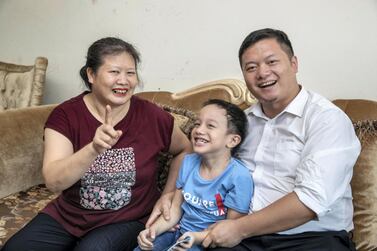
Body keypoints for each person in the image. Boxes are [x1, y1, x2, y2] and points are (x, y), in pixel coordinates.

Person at [147, 28, 361, 251]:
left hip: (310, 238)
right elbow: (193, 155)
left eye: (271, 62)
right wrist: (169, 194)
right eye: (251, 68)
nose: (262, 73)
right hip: (243, 238)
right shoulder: (242, 122)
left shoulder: (326, 119)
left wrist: (239, 228)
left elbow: (311, 199)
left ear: (294, 64)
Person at [2, 37, 191, 251]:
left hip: (129, 218)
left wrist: (168, 194)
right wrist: (93, 149)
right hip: (69, 216)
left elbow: (185, 149)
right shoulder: (65, 116)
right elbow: (54, 182)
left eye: (130, 73)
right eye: (114, 72)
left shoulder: (152, 116)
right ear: (91, 75)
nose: (124, 80)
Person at [134, 99, 253, 251]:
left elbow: (231, 229)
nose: (199, 130)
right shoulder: (188, 162)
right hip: (178, 231)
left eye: (210, 126)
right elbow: (175, 209)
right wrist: (152, 231)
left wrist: (196, 237)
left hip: (206, 240)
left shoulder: (239, 177)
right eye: (197, 123)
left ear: (232, 140)